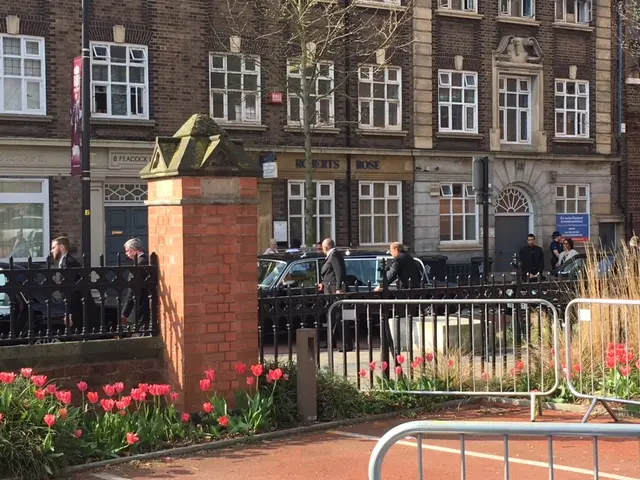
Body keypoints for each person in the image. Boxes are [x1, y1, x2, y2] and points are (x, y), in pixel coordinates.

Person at [318, 238, 352, 352]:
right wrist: (323, 283)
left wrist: (338, 288)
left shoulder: (334, 255)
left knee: (340, 317)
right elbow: (330, 273)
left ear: (325, 247)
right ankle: (331, 342)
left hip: (335, 291)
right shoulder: (331, 255)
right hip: (329, 289)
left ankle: (347, 344)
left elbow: (339, 272)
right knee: (331, 317)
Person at [50, 236, 83, 329]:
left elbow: (72, 291)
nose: (51, 251)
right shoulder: (64, 262)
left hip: (76, 308)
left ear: (61, 247)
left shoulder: (69, 263)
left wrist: (70, 313)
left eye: (53, 247)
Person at [121, 238, 151, 332]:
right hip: (143, 301)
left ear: (134, 250)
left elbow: (132, 290)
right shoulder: (144, 260)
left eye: (127, 251)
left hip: (141, 303)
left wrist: (125, 313)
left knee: (141, 330)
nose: (126, 254)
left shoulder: (140, 263)